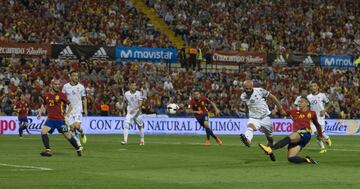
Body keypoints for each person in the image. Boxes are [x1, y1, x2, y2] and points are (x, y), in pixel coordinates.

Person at [259, 96, 326, 164]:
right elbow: (283, 113)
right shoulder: (294, 111)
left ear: (307, 103)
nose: (299, 103)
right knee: (291, 158)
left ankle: (270, 149)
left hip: (305, 133)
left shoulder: (312, 113)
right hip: (298, 136)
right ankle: (308, 160)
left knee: (290, 137)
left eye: (301, 102)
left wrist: (321, 136)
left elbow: (317, 125)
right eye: (299, 102)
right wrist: (277, 111)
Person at [37, 79, 82, 157]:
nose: (58, 86)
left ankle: (78, 148)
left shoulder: (61, 95)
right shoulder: (46, 95)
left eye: (58, 84)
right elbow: (43, 104)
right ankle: (48, 150)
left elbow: (70, 106)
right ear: (52, 85)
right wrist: (40, 113)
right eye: (56, 84)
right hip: (50, 119)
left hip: (59, 120)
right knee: (43, 131)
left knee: (67, 136)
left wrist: (66, 114)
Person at [239, 80, 286, 148]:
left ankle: (271, 143)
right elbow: (247, 104)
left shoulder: (260, 91)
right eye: (246, 88)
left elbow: (273, 97)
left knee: (270, 137)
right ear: (243, 88)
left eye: (250, 88)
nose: (248, 90)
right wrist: (247, 112)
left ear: (252, 87)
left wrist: (280, 109)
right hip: (254, 117)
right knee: (250, 127)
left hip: (265, 117)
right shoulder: (243, 96)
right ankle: (248, 140)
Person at [62, 70, 88, 146]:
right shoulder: (65, 86)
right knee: (72, 128)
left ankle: (82, 132)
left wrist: (85, 109)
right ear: (70, 77)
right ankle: (78, 145)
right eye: (74, 75)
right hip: (69, 111)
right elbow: (62, 98)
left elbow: (84, 98)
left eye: (77, 76)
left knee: (77, 126)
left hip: (78, 110)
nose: (76, 77)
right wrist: (62, 109)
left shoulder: (81, 87)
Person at [307, 82, 332, 153]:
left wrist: (324, 110)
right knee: (316, 132)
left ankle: (324, 144)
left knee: (319, 133)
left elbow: (329, 103)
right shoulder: (308, 97)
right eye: (311, 86)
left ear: (317, 87)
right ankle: (325, 142)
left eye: (314, 86)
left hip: (320, 117)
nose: (313, 87)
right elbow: (308, 107)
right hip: (312, 117)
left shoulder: (322, 95)